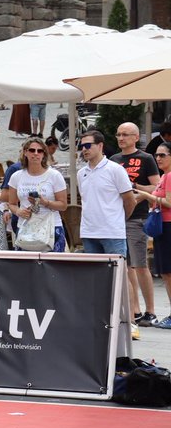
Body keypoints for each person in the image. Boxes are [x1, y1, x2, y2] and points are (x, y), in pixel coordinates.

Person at [111, 122, 159, 326]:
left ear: (136, 137)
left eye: (126, 134)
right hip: (116, 218)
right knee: (127, 266)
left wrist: (134, 187)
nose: (121, 138)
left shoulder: (146, 158)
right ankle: (135, 309)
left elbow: (156, 186)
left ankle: (150, 311)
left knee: (140, 265)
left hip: (137, 217)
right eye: (118, 134)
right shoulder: (113, 160)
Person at [77, 128, 136, 256]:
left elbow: (130, 200)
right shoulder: (81, 173)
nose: (84, 149)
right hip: (89, 232)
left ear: (100, 146)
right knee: (93, 274)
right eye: (82, 146)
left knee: (116, 274)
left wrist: (118, 219)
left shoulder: (115, 170)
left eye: (88, 145)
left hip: (112, 233)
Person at [5, 136, 68, 252]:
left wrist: (45, 202)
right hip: (26, 228)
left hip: (51, 227)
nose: (36, 154)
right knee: (26, 268)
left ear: (44, 154)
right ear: (25, 152)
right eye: (32, 150)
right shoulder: (16, 176)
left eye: (40, 151)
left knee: (53, 268)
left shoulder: (54, 175)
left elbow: (63, 205)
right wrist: (19, 211)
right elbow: (12, 203)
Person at [132, 142, 171, 327]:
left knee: (168, 272)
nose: (158, 158)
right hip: (162, 226)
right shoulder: (164, 176)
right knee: (165, 272)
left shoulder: (169, 176)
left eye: (163, 155)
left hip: (168, 225)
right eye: (157, 155)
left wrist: (147, 196)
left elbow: (169, 202)